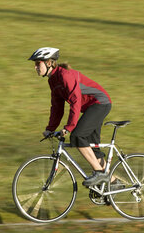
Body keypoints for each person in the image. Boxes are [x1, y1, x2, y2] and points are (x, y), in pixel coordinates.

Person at [28, 47, 112, 187]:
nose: (36, 67)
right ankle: (113, 183)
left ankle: (100, 173)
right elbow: (57, 107)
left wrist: (69, 127)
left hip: (99, 103)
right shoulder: (53, 81)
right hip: (90, 108)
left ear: (49, 63)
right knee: (92, 149)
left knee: (77, 136)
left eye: (38, 63)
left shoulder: (65, 76)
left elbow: (75, 101)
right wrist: (50, 128)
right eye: (35, 64)